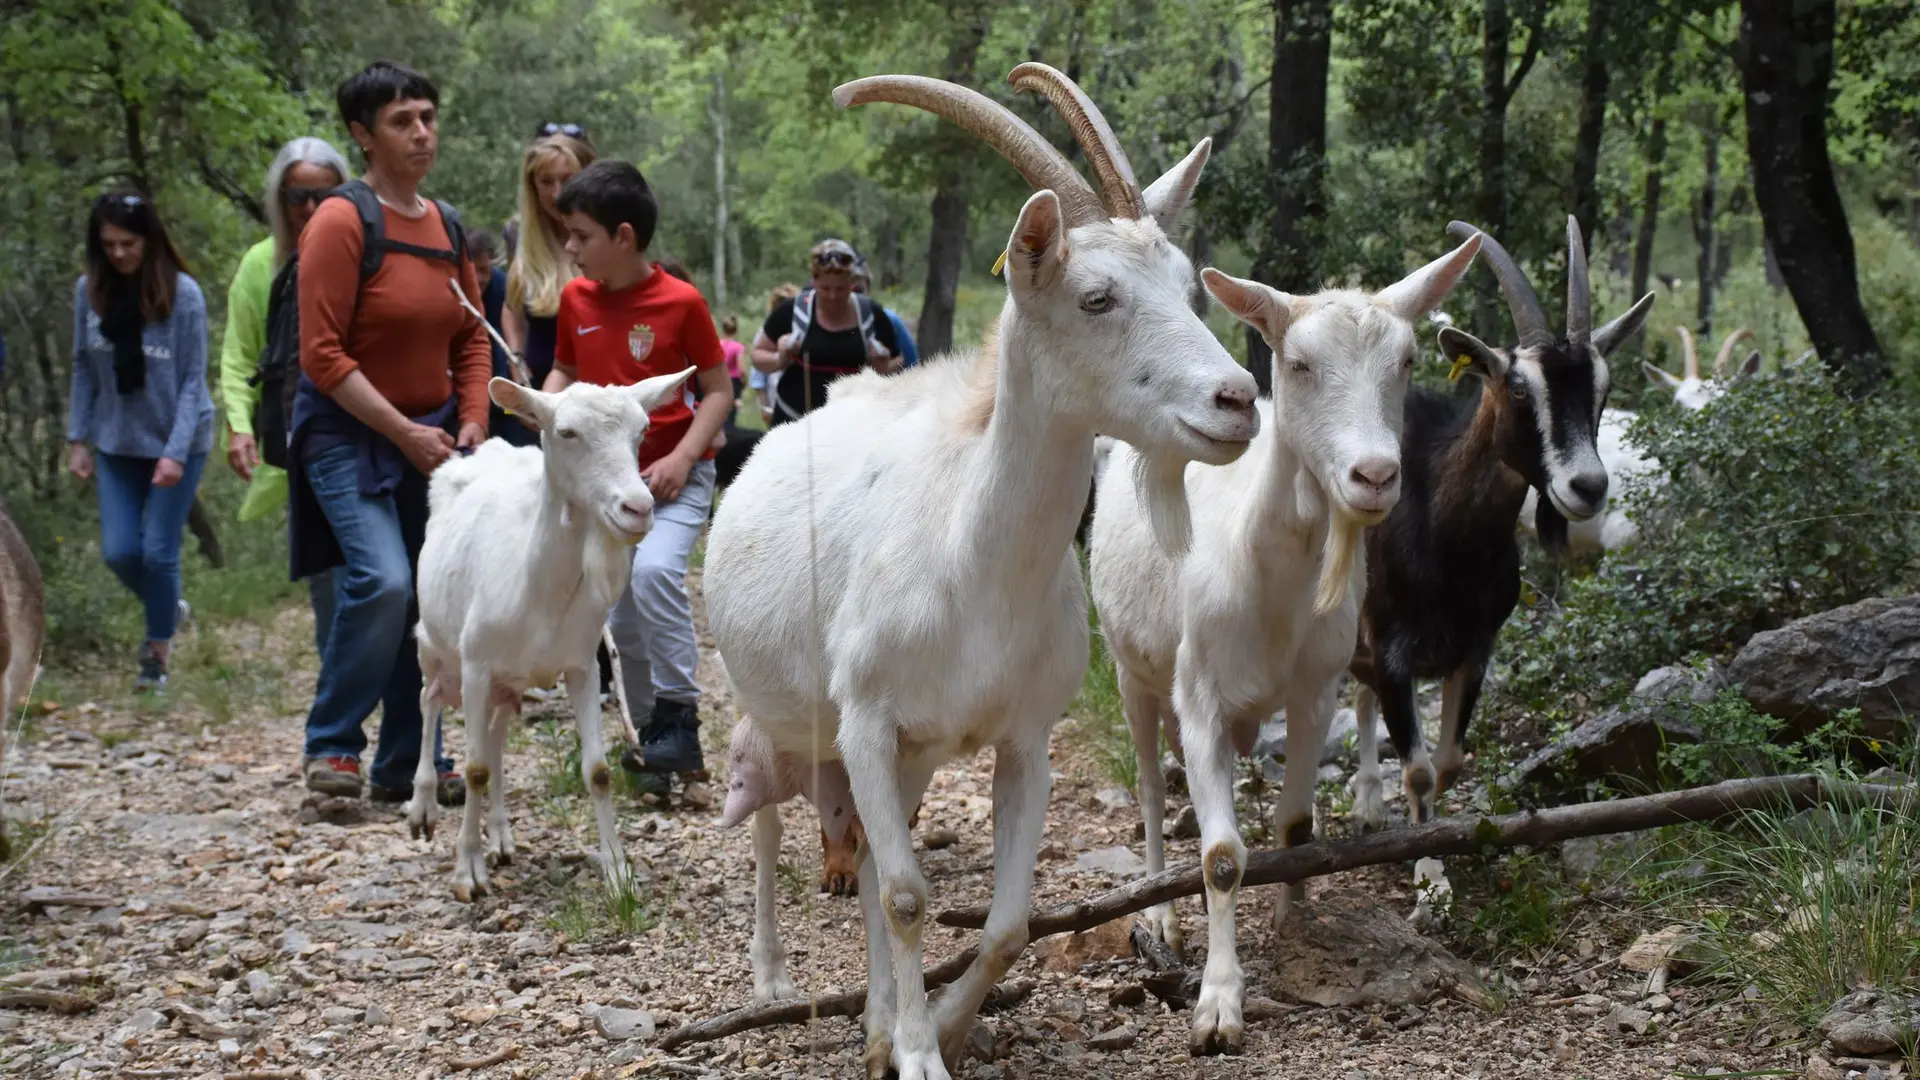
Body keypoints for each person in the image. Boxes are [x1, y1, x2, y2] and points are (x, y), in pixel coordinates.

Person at [289, 60, 490, 804]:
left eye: (428, 117)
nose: (421, 133)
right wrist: (405, 431)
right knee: (384, 580)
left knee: (429, 598)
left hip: (432, 438)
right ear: (362, 135)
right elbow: (321, 354)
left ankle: (409, 760)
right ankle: (332, 744)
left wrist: (471, 418)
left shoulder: (446, 225)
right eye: (402, 121)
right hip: (345, 436)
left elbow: (471, 337)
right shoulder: (341, 221)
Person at [543, 159, 732, 797]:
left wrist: (683, 458)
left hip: (673, 481)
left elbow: (717, 391)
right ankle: (654, 742)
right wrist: (545, 408)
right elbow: (566, 373)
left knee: (652, 575)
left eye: (580, 236)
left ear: (623, 237)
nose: (570, 249)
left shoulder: (682, 302)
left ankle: (681, 716)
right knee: (617, 607)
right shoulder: (575, 300)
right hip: (606, 488)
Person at [66, 190, 215, 692]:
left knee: (158, 552)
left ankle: (155, 656)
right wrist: (77, 438)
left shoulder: (183, 295)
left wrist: (174, 454)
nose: (119, 253)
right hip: (117, 441)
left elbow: (193, 381)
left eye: (128, 243)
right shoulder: (90, 292)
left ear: (149, 241)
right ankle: (168, 608)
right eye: (109, 244)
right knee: (119, 551)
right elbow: (83, 366)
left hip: (179, 440)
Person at [218, 137, 352, 653]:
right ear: (280, 199)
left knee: (370, 568)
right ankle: (337, 678)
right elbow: (239, 354)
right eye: (299, 196)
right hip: (299, 436)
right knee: (325, 569)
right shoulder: (260, 265)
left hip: (366, 426)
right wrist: (240, 426)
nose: (311, 207)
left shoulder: (364, 256)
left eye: (325, 194)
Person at [750, 239, 901, 425]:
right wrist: (779, 359)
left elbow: (898, 361)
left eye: (841, 289)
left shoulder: (871, 314)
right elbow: (757, 354)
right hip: (795, 423)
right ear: (814, 281)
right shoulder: (792, 311)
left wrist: (882, 368)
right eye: (825, 288)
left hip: (853, 425)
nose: (833, 296)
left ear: (851, 283)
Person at [503, 126, 596, 396]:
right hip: (541, 388)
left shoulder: (612, 237)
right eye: (546, 182)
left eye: (568, 180)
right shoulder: (519, 235)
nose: (557, 194)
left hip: (597, 388)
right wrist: (515, 356)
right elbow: (512, 305)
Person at [852, 255, 921, 368]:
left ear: (868, 288)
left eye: (858, 291)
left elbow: (913, 366)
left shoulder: (889, 320)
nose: (854, 298)